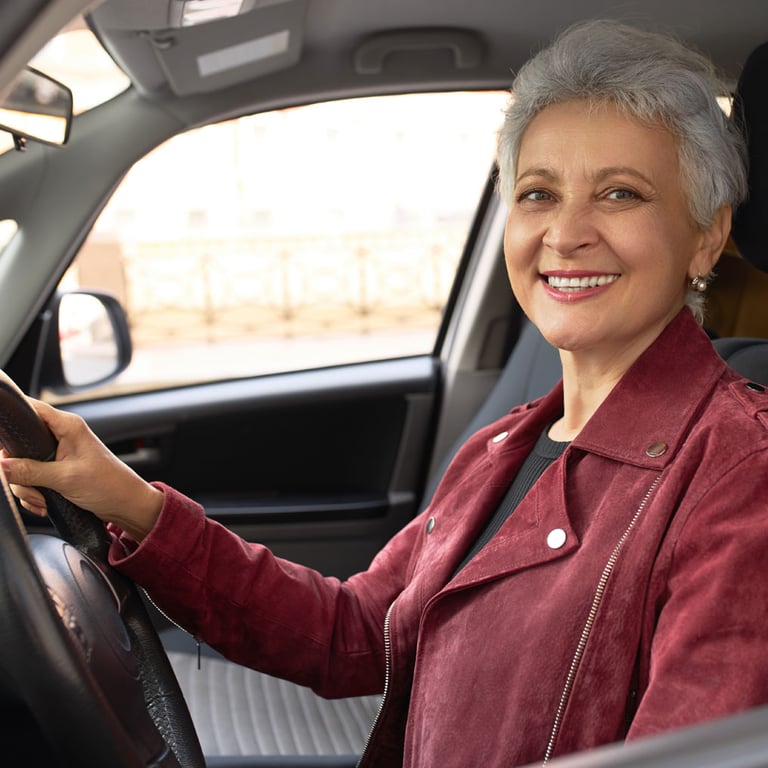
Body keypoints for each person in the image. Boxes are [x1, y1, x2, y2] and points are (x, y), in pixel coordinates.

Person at [3, 18, 768, 768]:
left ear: (707, 233)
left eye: (621, 194)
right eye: (537, 194)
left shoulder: (741, 474)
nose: (565, 233)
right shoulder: (507, 443)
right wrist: (126, 500)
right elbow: (358, 634)